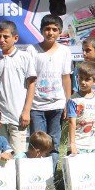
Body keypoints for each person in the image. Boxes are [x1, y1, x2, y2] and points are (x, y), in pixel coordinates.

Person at [0, 20, 37, 156]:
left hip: (17, 116)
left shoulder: (25, 58)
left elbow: (31, 85)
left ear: (15, 38)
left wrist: (26, 111)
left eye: (6, 37)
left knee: (18, 154)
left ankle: (19, 178)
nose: (2, 40)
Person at [29, 14, 72, 167]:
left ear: (60, 32)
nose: (51, 33)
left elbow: (66, 78)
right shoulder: (32, 50)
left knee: (53, 142)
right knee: (37, 142)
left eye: (55, 29)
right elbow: (30, 79)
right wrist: (27, 107)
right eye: (47, 29)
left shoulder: (65, 51)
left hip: (57, 105)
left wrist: (68, 103)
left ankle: (51, 179)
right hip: (37, 105)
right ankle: (37, 176)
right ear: (41, 30)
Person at [66, 61, 95, 157]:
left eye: (87, 79)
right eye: (80, 78)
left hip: (94, 145)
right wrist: (72, 144)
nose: (82, 82)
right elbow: (71, 122)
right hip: (78, 145)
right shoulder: (73, 100)